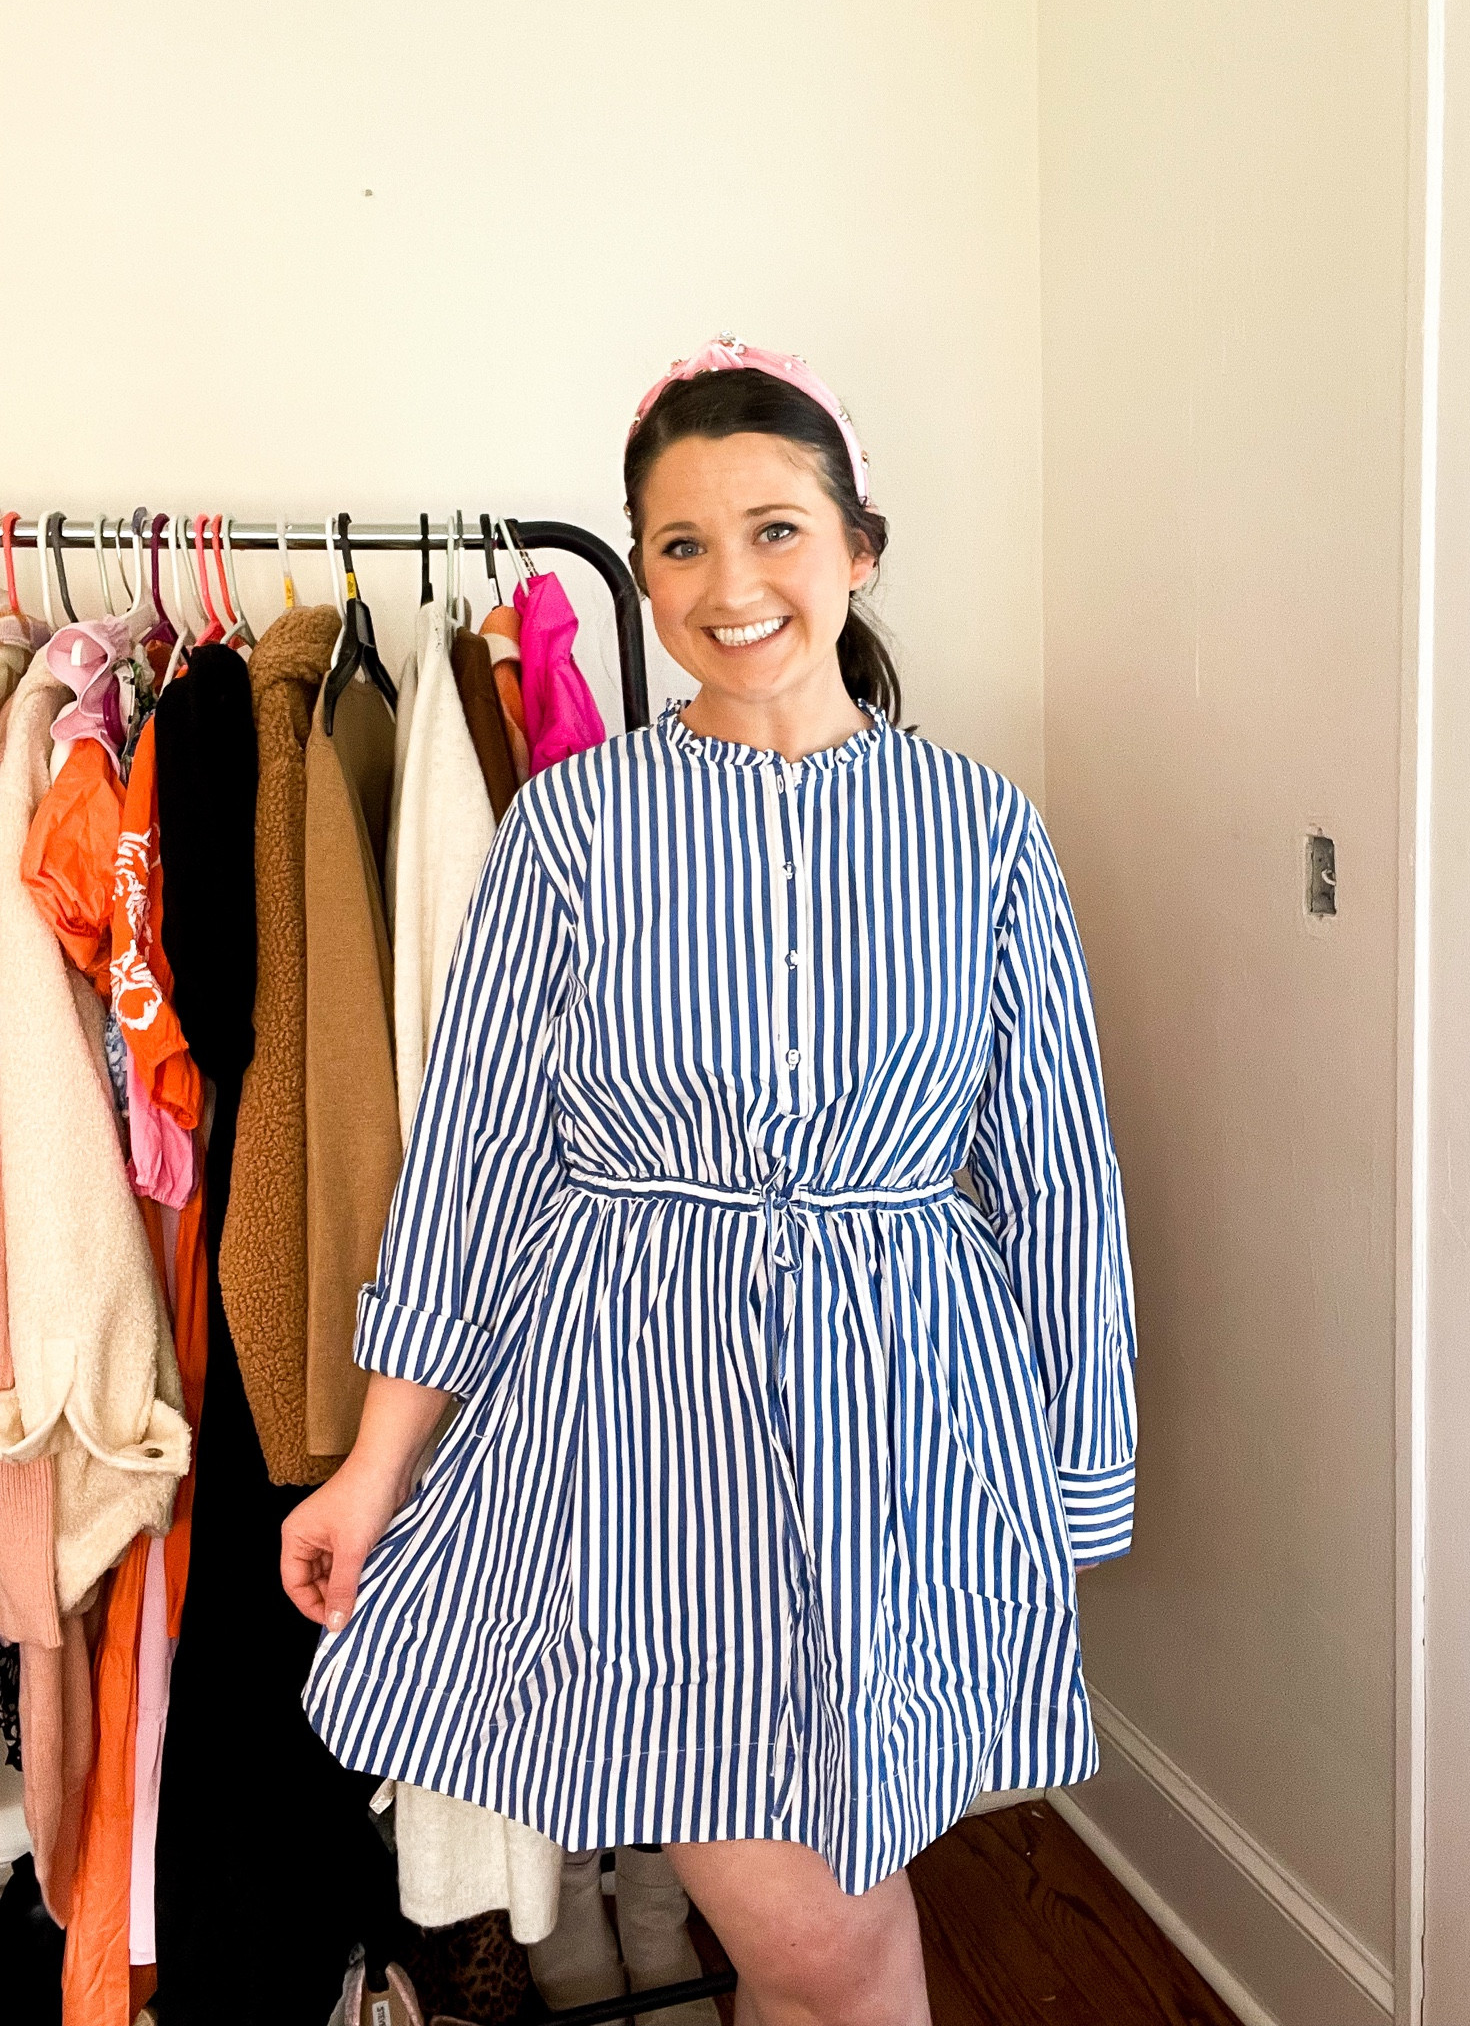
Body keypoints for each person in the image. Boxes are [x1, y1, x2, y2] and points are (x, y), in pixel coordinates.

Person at [281, 333, 1139, 2026]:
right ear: (643, 571)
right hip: (647, 1428)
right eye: (680, 545)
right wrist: (375, 1467)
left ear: (860, 550)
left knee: (834, 1907)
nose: (730, 585)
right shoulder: (571, 830)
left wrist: (1076, 1471)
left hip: (909, 1429)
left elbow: (1057, 1169)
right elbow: (472, 1163)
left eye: (776, 530)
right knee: (825, 1939)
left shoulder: (981, 831)